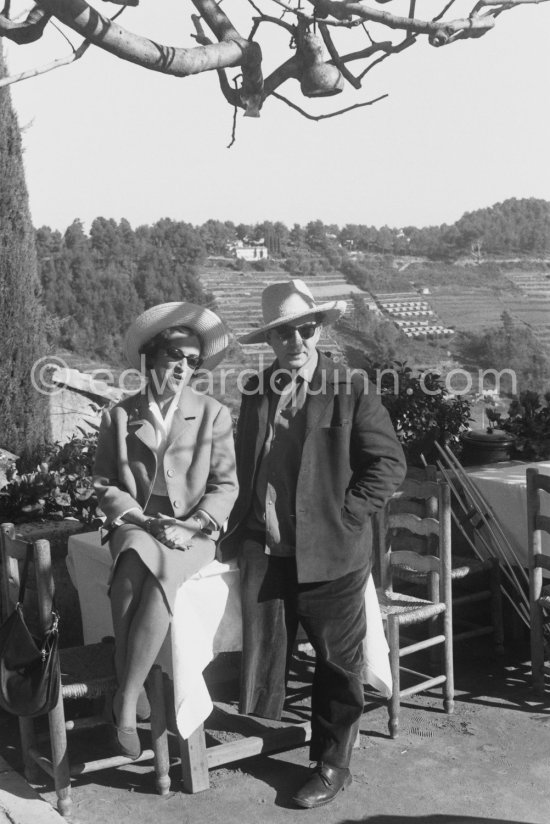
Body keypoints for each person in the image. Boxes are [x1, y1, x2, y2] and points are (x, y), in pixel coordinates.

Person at [220, 279, 406, 809]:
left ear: (318, 330)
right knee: (269, 653)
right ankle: (272, 733)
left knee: (337, 664)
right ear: (271, 340)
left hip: (332, 553)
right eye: (284, 333)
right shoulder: (256, 390)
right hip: (269, 549)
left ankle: (332, 763)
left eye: (305, 329)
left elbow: (389, 463)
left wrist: (346, 515)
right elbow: (245, 464)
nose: (296, 341)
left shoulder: (350, 387)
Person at [93, 301, 238, 759]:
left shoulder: (213, 413)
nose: (182, 367)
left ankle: (125, 697)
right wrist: (138, 518)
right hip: (138, 519)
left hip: (191, 527)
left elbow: (225, 486)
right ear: (151, 357)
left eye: (192, 361)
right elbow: (104, 485)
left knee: (160, 582)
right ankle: (129, 694)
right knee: (132, 560)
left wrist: (191, 523)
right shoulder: (119, 416)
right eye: (174, 355)